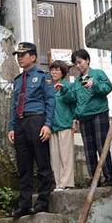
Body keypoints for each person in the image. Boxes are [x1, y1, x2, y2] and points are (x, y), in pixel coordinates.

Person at [7, 42, 55, 219]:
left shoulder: (43, 76)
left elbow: (50, 101)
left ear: (33, 57)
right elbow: (14, 105)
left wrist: (48, 124)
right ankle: (24, 204)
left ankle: (43, 201)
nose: (19, 58)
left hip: (37, 119)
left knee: (42, 163)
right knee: (24, 165)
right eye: (18, 55)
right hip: (20, 123)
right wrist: (12, 127)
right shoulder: (18, 80)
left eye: (23, 54)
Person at [70, 49, 112, 187]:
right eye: (75, 64)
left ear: (87, 60)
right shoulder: (77, 82)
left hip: (99, 113)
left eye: (80, 62)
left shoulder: (97, 74)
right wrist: (75, 117)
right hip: (84, 117)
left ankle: (109, 177)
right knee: (89, 149)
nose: (78, 66)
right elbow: (74, 99)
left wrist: (94, 85)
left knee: (102, 145)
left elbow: (108, 87)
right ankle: (94, 179)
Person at [49, 60, 77, 190]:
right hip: (52, 125)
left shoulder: (68, 85)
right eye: (52, 70)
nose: (54, 72)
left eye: (57, 70)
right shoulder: (48, 87)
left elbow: (72, 100)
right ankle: (58, 182)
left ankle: (67, 183)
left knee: (66, 156)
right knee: (55, 156)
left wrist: (64, 90)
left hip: (65, 123)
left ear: (63, 72)